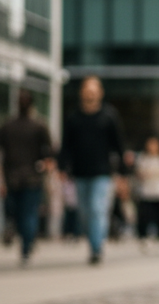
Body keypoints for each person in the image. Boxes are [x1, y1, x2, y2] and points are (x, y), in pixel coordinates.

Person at [58, 76, 129, 265]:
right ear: (82, 92)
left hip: (102, 173)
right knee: (84, 213)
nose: (90, 93)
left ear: (100, 93)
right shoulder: (74, 118)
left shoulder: (109, 116)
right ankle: (93, 243)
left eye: (93, 90)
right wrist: (62, 167)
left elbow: (119, 145)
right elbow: (66, 146)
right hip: (80, 173)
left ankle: (96, 249)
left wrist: (122, 173)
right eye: (87, 90)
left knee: (98, 209)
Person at [0, 90, 54, 264]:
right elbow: (50, 153)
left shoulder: (8, 126)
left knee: (15, 212)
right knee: (29, 213)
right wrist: (47, 169)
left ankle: (17, 234)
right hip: (32, 177)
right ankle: (26, 247)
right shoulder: (39, 125)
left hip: (12, 177)